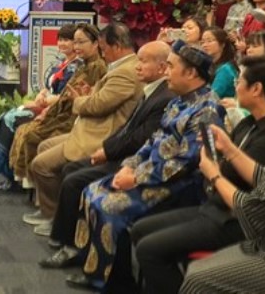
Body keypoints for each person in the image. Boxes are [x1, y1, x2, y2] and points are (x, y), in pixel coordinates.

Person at [65, 39, 226, 292]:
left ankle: (119, 283)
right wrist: (128, 167)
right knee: (92, 191)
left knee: (109, 205)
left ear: (192, 73)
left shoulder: (207, 109)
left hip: (182, 185)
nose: (166, 72)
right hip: (151, 172)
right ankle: (99, 272)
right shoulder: (177, 101)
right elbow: (151, 142)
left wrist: (136, 178)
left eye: (171, 67)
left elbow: (186, 162)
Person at [133, 55, 265, 294]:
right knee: (140, 230)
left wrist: (214, 172)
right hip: (217, 206)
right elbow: (259, 174)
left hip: (238, 220)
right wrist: (224, 152)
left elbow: (250, 204)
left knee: (156, 253)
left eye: (239, 81)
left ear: (257, 88)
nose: (234, 87)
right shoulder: (249, 123)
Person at [39, 41, 174, 270]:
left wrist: (109, 151)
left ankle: (72, 247)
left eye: (143, 61)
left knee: (74, 180)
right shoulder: (151, 90)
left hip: (137, 163)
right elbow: (128, 129)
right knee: (71, 169)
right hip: (124, 153)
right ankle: (71, 240)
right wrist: (107, 148)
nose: (137, 67)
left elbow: (140, 138)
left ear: (162, 68)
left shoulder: (164, 97)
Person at [25, 23, 143, 235]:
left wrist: (79, 101)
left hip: (99, 134)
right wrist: (87, 97)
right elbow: (99, 99)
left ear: (116, 46)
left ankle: (55, 218)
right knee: (43, 145)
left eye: (103, 48)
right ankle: (50, 211)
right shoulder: (119, 67)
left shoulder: (125, 72)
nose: (102, 53)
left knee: (41, 164)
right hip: (88, 128)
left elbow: (97, 105)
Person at [180, 96, 265, 292]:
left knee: (197, 280)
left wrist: (214, 175)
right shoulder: (248, 124)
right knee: (194, 270)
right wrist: (230, 149)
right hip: (263, 240)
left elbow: (252, 211)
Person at [9, 23, 107, 190]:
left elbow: (77, 100)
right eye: (74, 42)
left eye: (80, 42)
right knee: (22, 128)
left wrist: (48, 111)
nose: (76, 47)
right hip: (61, 113)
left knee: (32, 135)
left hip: (72, 118)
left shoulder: (97, 67)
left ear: (95, 43)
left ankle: (39, 189)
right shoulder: (84, 65)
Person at [0, 23, 79, 191]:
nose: (62, 43)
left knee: (12, 120)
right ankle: (6, 172)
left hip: (57, 111)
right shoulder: (61, 64)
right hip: (45, 104)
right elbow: (49, 86)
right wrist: (41, 94)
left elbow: (66, 96)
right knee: (5, 118)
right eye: (60, 39)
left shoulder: (78, 67)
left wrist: (44, 101)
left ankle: (12, 175)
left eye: (67, 40)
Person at [200, 26, 238, 99]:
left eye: (209, 41)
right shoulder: (211, 66)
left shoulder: (225, 69)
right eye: (202, 42)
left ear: (222, 44)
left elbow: (212, 97)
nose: (204, 45)